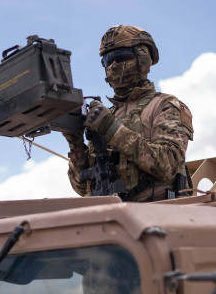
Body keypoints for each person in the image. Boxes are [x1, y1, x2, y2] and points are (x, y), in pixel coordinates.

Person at [66, 25, 194, 201]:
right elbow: (81, 187)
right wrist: (76, 144)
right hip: (112, 218)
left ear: (142, 59)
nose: (113, 65)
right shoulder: (106, 115)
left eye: (120, 57)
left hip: (159, 214)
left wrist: (111, 128)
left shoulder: (165, 105)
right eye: (107, 60)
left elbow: (167, 164)